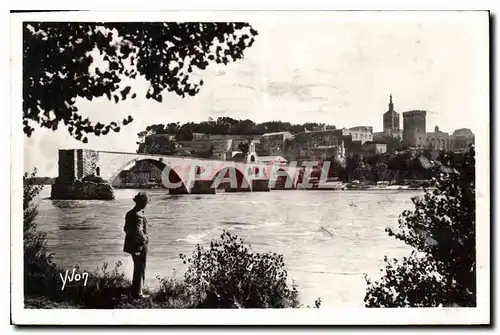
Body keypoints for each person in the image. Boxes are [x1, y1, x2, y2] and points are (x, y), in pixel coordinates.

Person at [123, 192, 150, 298]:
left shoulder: (130, 213)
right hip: (139, 245)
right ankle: (138, 293)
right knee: (140, 267)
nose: (146, 204)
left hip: (132, 245)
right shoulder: (138, 215)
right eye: (145, 202)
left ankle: (135, 289)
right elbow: (138, 232)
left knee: (137, 267)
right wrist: (145, 239)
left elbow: (125, 229)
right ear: (143, 203)